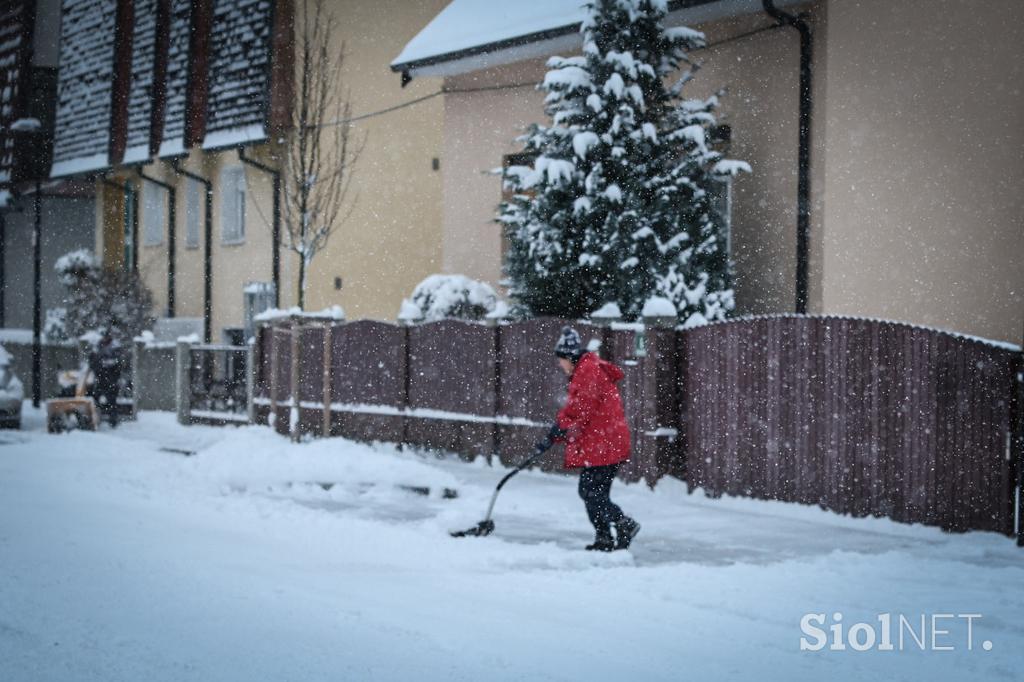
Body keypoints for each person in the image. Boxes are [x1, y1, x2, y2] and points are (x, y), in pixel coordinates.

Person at [537, 326, 640, 552]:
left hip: (605, 445)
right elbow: (579, 411)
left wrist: (559, 429)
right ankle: (604, 538)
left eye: (561, 360)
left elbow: (581, 409)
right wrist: (557, 431)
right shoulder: (586, 370)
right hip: (603, 443)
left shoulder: (588, 371)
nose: (560, 365)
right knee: (594, 493)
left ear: (570, 357)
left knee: (590, 492)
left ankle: (623, 524)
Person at [89, 332, 123, 428]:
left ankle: (113, 421)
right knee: (96, 399)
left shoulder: (114, 348)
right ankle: (95, 419)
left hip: (111, 380)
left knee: (112, 400)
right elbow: (92, 362)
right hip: (100, 379)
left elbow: (118, 364)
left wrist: (107, 365)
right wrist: (99, 365)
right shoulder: (98, 347)